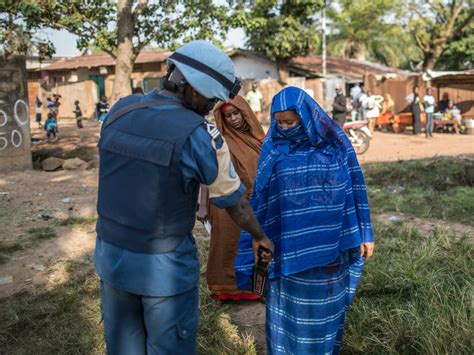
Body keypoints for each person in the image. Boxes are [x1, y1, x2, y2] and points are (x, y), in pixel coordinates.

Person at [94, 40, 273, 355]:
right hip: (162, 270)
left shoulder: (121, 110)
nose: (212, 108)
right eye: (212, 100)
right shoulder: (200, 135)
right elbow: (232, 200)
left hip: (110, 257)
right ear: (195, 90)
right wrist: (259, 236)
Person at [235, 86, 374, 355]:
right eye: (280, 122)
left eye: (291, 121)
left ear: (307, 116)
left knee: (325, 314)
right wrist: (255, 238)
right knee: (288, 317)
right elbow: (261, 198)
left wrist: (366, 232)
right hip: (287, 250)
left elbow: (357, 186)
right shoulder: (273, 147)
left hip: (331, 251)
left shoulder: (336, 142)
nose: (285, 128)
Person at [197, 95, 265, 301]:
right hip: (225, 202)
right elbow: (205, 173)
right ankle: (226, 289)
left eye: (237, 113)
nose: (234, 118)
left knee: (255, 244)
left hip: (255, 201)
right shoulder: (218, 140)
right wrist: (202, 205)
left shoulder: (258, 139)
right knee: (227, 244)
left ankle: (255, 288)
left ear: (245, 114)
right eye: (228, 115)